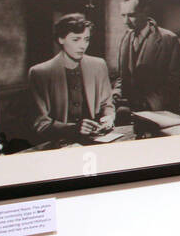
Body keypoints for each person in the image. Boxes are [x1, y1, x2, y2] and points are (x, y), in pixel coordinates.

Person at [28, 13, 115, 143]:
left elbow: (107, 104)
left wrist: (108, 117)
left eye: (86, 39)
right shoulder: (40, 73)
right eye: (76, 39)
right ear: (60, 39)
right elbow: (41, 124)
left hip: (95, 140)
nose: (83, 46)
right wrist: (73, 129)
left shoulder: (99, 65)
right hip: (58, 143)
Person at [113, 0, 180, 113]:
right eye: (123, 15)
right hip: (129, 108)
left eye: (131, 15)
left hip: (159, 110)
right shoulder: (126, 38)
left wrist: (150, 103)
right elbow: (122, 76)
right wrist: (116, 93)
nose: (125, 21)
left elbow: (175, 82)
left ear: (145, 12)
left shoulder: (168, 39)